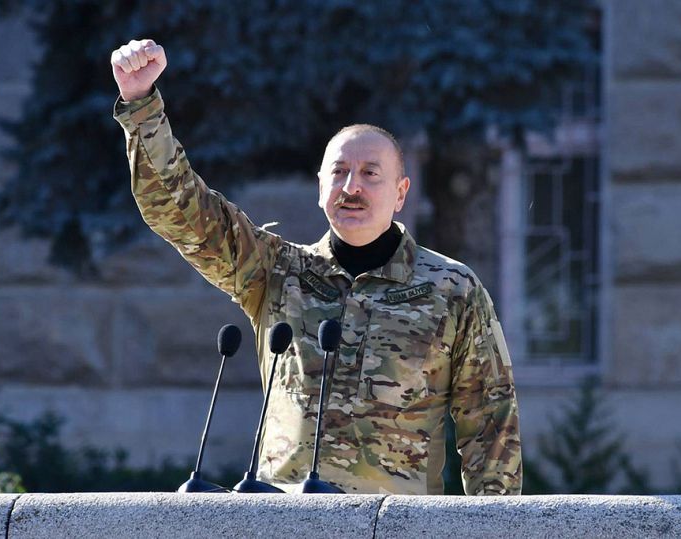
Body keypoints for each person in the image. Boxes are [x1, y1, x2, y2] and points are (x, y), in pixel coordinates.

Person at [111, 39, 521, 495]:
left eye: (370, 173)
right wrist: (141, 105)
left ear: (401, 193)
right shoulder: (275, 272)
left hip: (395, 527)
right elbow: (181, 210)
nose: (352, 187)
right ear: (319, 186)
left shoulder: (452, 289)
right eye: (339, 172)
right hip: (282, 519)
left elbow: (491, 428)